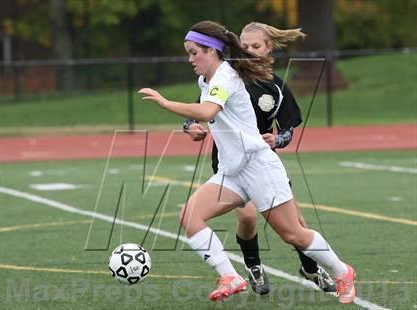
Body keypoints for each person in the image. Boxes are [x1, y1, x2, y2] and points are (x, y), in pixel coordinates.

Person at [139, 20, 356, 304]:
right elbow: (205, 114)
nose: (190, 58)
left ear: (213, 50)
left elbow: (207, 110)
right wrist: (191, 127)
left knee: (293, 233)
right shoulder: (206, 80)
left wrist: (165, 103)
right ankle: (230, 276)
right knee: (190, 217)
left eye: (194, 52)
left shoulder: (226, 76)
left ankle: (342, 272)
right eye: (188, 52)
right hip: (233, 171)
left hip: (258, 165)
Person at [182, 22, 336, 295]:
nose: (250, 50)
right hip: (229, 163)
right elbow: (200, 110)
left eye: (256, 46)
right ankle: (253, 267)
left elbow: (288, 128)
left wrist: (278, 139)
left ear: (269, 49)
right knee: (248, 217)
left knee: (295, 225)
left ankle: (311, 268)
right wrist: (189, 126)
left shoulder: (274, 86)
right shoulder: (223, 75)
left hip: (261, 163)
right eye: (245, 45)